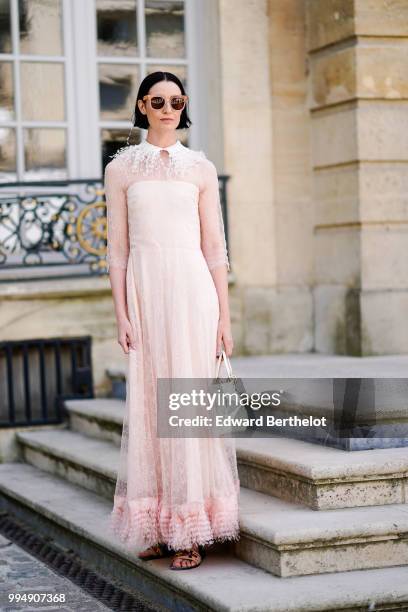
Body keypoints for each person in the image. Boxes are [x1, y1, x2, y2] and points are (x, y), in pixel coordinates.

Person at [104, 71, 240, 570]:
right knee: (149, 411)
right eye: (158, 101)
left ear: (184, 106)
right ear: (142, 106)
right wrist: (120, 311)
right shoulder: (121, 169)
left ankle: (189, 532)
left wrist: (224, 318)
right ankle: (158, 527)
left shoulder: (200, 168)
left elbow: (214, 249)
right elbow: (117, 251)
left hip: (192, 295)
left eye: (177, 100)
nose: (168, 109)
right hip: (144, 296)